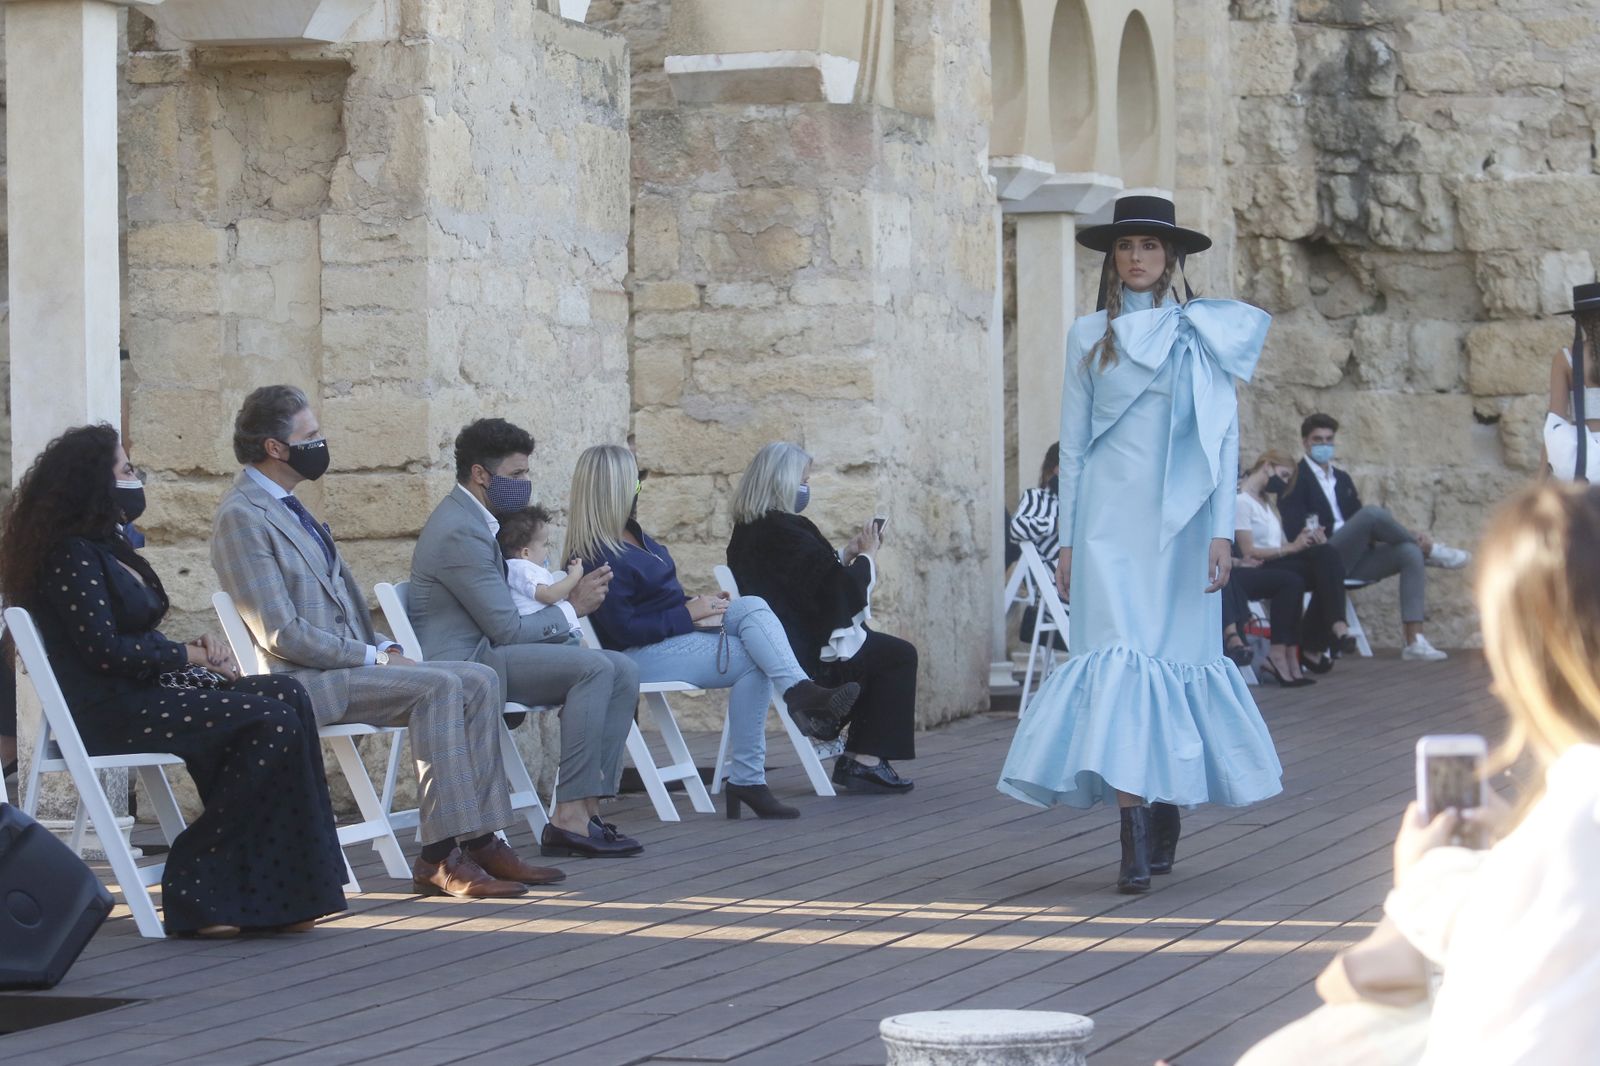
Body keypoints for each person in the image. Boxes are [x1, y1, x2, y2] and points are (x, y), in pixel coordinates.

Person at [1240, 483, 1600, 1065]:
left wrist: (1426, 876)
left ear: (1529, 657)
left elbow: (1366, 975)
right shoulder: (1565, 823)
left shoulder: (1575, 818)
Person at [996, 194, 1283, 894]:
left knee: (1174, 663)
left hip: (1183, 525)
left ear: (1171, 257)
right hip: (1105, 529)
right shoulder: (1086, 335)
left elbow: (1222, 443)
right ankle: (1130, 832)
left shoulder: (1200, 333)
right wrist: (1066, 541)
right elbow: (1075, 450)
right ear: (1112, 257)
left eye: (1150, 247)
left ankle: (1164, 804)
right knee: (1119, 669)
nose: (1137, 258)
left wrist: (1221, 528)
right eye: (1126, 247)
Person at [0, 424, 346, 936]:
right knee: (268, 723)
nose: (134, 478)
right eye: (125, 470)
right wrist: (185, 654)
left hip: (141, 693)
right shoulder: (69, 555)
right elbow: (104, 652)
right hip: (107, 710)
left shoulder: (106, 546)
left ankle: (289, 892)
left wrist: (192, 655)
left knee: (286, 694)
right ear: (94, 482)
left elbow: (132, 640)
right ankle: (201, 884)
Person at [212, 387, 556, 899]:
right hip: (300, 682)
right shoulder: (243, 515)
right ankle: (440, 856)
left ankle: (482, 840)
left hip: (344, 667)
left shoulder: (290, 507)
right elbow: (280, 633)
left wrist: (383, 644)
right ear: (275, 448)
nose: (322, 443)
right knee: (439, 686)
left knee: (479, 678)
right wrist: (372, 655)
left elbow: (340, 610)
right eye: (311, 436)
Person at [567, 444, 861, 820]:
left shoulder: (635, 535)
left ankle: (799, 696)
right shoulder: (596, 554)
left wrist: (702, 602)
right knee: (753, 660)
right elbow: (622, 630)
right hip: (634, 656)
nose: (638, 491)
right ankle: (753, 772)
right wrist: (686, 615)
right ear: (609, 490)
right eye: (633, 485)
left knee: (750, 605)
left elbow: (660, 600)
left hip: (669, 636)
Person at [408, 419, 643, 858]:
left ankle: (586, 806)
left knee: (623, 668)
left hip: (495, 650)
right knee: (594, 668)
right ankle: (569, 816)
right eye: (516, 475)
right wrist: (572, 606)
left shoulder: (482, 519)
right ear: (481, 474)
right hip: (473, 661)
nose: (524, 484)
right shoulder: (459, 528)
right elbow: (507, 629)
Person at [726, 442, 917, 795]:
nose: (806, 488)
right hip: (806, 650)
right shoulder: (785, 529)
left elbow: (809, 577)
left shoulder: (751, 530)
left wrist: (847, 553)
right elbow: (837, 588)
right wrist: (869, 557)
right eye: (803, 480)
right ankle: (866, 759)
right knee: (898, 656)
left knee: (881, 650)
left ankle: (860, 754)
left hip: (781, 639)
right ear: (782, 482)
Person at [1276, 413, 1468, 663]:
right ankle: (1429, 550)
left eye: (1329, 439)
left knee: (1408, 554)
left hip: (1355, 556)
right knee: (1372, 514)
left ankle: (1414, 641)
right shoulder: (1296, 479)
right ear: (1305, 442)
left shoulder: (1342, 478)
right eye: (1317, 439)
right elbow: (1294, 529)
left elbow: (1360, 524)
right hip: (1322, 556)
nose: (1324, 445)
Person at [1236, 451, 1358, 681]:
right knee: (1321, 566)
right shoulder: (1241, 501)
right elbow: (1249, 551)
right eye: (1282, 476)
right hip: (1258, 565)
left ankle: (1330, 628)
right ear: (1267, 465)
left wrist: (1301, 541)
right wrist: (1291, 549)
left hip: (1277, 559)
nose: (1281, 483)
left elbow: (1278, 543)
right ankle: (1327, 633)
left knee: (1327, 558)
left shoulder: (1266, 503)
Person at [1542, 281, 1600, 482]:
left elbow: (1553, 424)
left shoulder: (1566, 358)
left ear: (1580, 320)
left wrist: (1540, 479)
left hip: (1583, 465)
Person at [496, 505, 583, 637]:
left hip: (547, 630)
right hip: (540, 633)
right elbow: (548, 596)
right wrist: (574, 576)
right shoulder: (522, 568)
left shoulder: (523, 569)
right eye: (545, 544)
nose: (548, 550)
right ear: (526, 552)